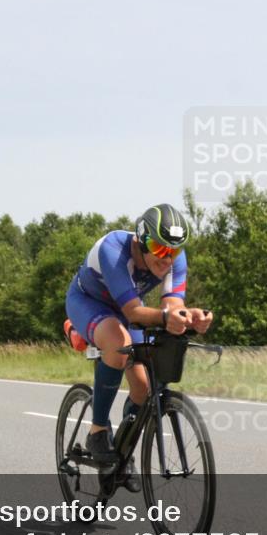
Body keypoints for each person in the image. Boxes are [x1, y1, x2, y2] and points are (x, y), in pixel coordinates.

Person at [65, 203, 213, 492]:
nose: (167, 258)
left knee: (144, 388)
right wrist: (166, 318)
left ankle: (122, 450)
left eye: (174, 251)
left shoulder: (173, 257)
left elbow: (173, 306)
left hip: (126, 310)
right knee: (117, 342)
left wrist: (190, 317)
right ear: (142, 240)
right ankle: (98, 431)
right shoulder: (114, 249)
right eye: (159, 249)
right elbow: (134, 312)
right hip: (89, 302)